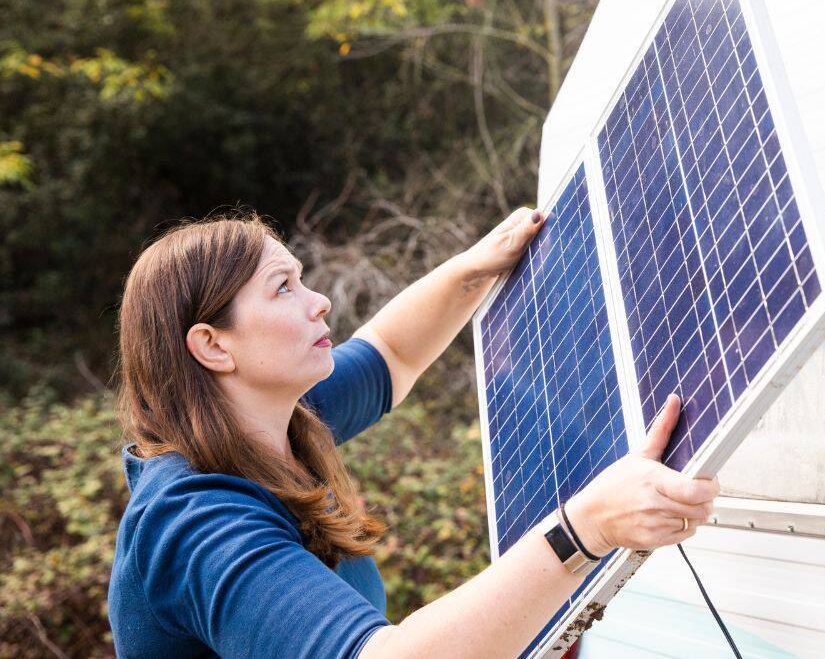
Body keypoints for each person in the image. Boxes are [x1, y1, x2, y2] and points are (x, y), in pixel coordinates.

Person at [107, 209, 718, 657]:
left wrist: (473, 269)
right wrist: (585, 530)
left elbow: (392, 353)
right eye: (283, 287)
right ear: (213, 346)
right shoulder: (197, 525)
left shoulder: (274, 414)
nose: (319, 302)